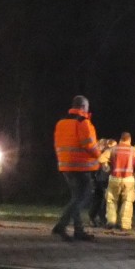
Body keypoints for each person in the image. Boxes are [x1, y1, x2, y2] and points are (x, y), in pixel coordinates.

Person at [52, 95, 101, 241]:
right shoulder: (83, 123)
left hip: (65, 166)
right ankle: (61, 225)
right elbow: (89, 145)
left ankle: (78, 231)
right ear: (84, 107)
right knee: (84, 196)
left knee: (75, 197)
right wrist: (101, 154)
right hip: (80, 166)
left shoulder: (61, 123)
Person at [102, 132, 135, 231]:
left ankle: (111, 221)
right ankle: (125, 225)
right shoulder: (134, 150)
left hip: (114, 178)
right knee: (127, 201)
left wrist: (107, 168)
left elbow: (101, 159)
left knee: (111, 200)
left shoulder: (113, 149)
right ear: (129, 140)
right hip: (129, 179)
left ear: (120, 139)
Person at [89, 139, 117, 227]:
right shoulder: (107, 154)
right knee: (105, 200)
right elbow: (105, 169)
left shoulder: (99, 154)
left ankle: (93, 218)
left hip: (98, 179)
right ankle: (103, 220)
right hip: (104, 180)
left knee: (97, 200)